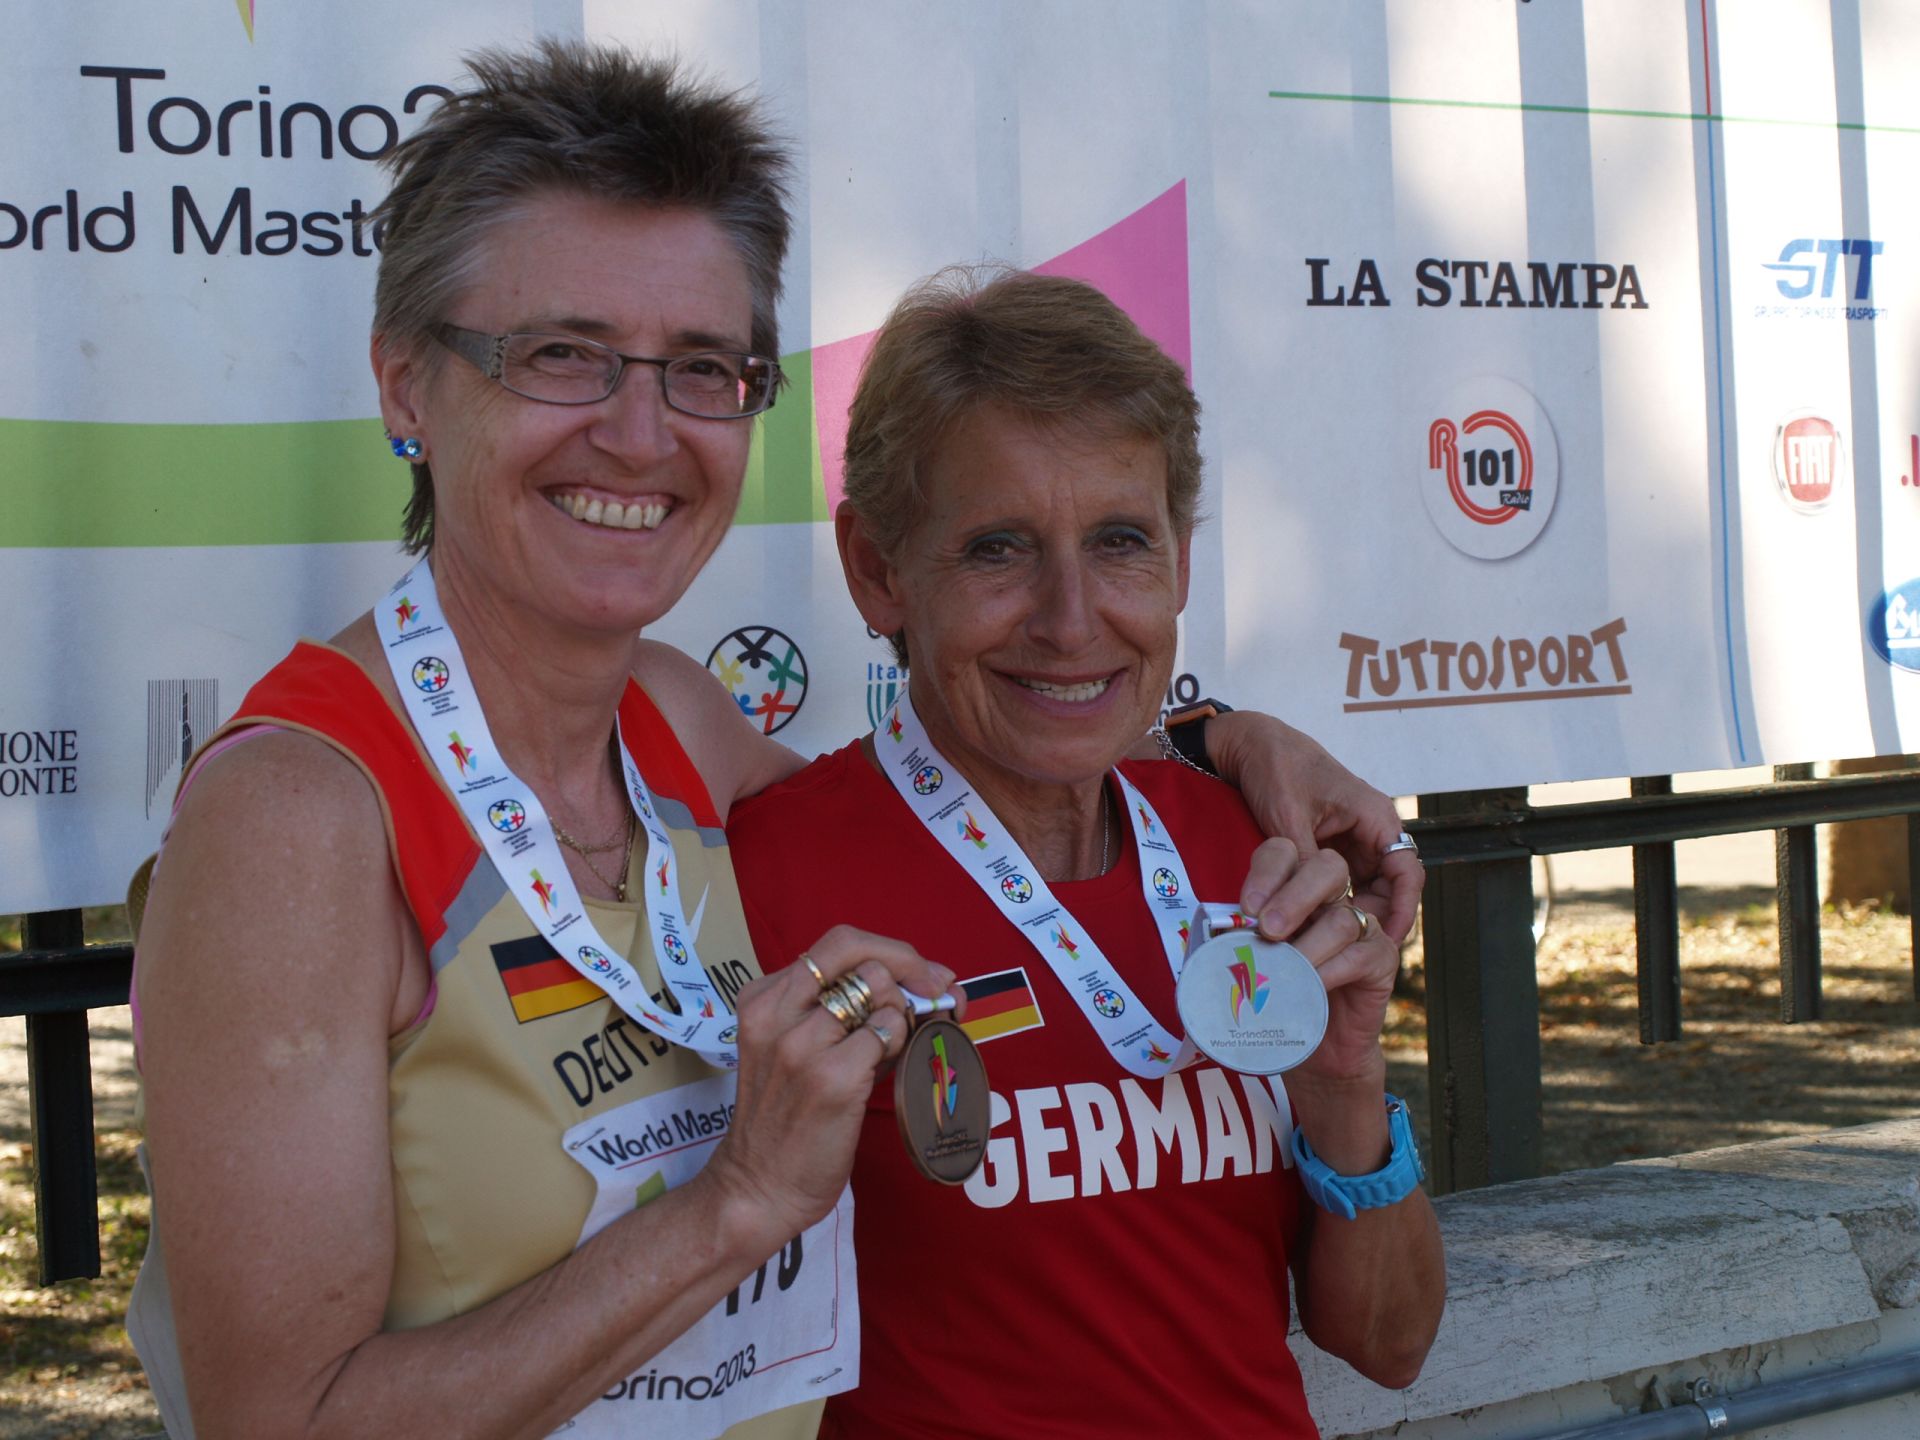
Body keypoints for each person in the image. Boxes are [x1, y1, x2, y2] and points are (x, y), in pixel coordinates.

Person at [125, 41, 1421, 1440]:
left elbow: (989, 784)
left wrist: (1224, 738)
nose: (641, 435)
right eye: (561, 355)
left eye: (702, 368)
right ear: (404, 388)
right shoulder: (294, 819)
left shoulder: (676, 729)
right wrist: (736, 1204)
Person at [728, 267, 1446, 1438]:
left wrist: (1342, 1080)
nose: (1071, 620)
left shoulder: (1252, 851)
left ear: (1180, 561)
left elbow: (1392, 1345)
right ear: (878, 569)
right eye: (997, 549)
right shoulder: (766, 879)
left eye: (1120, 542)